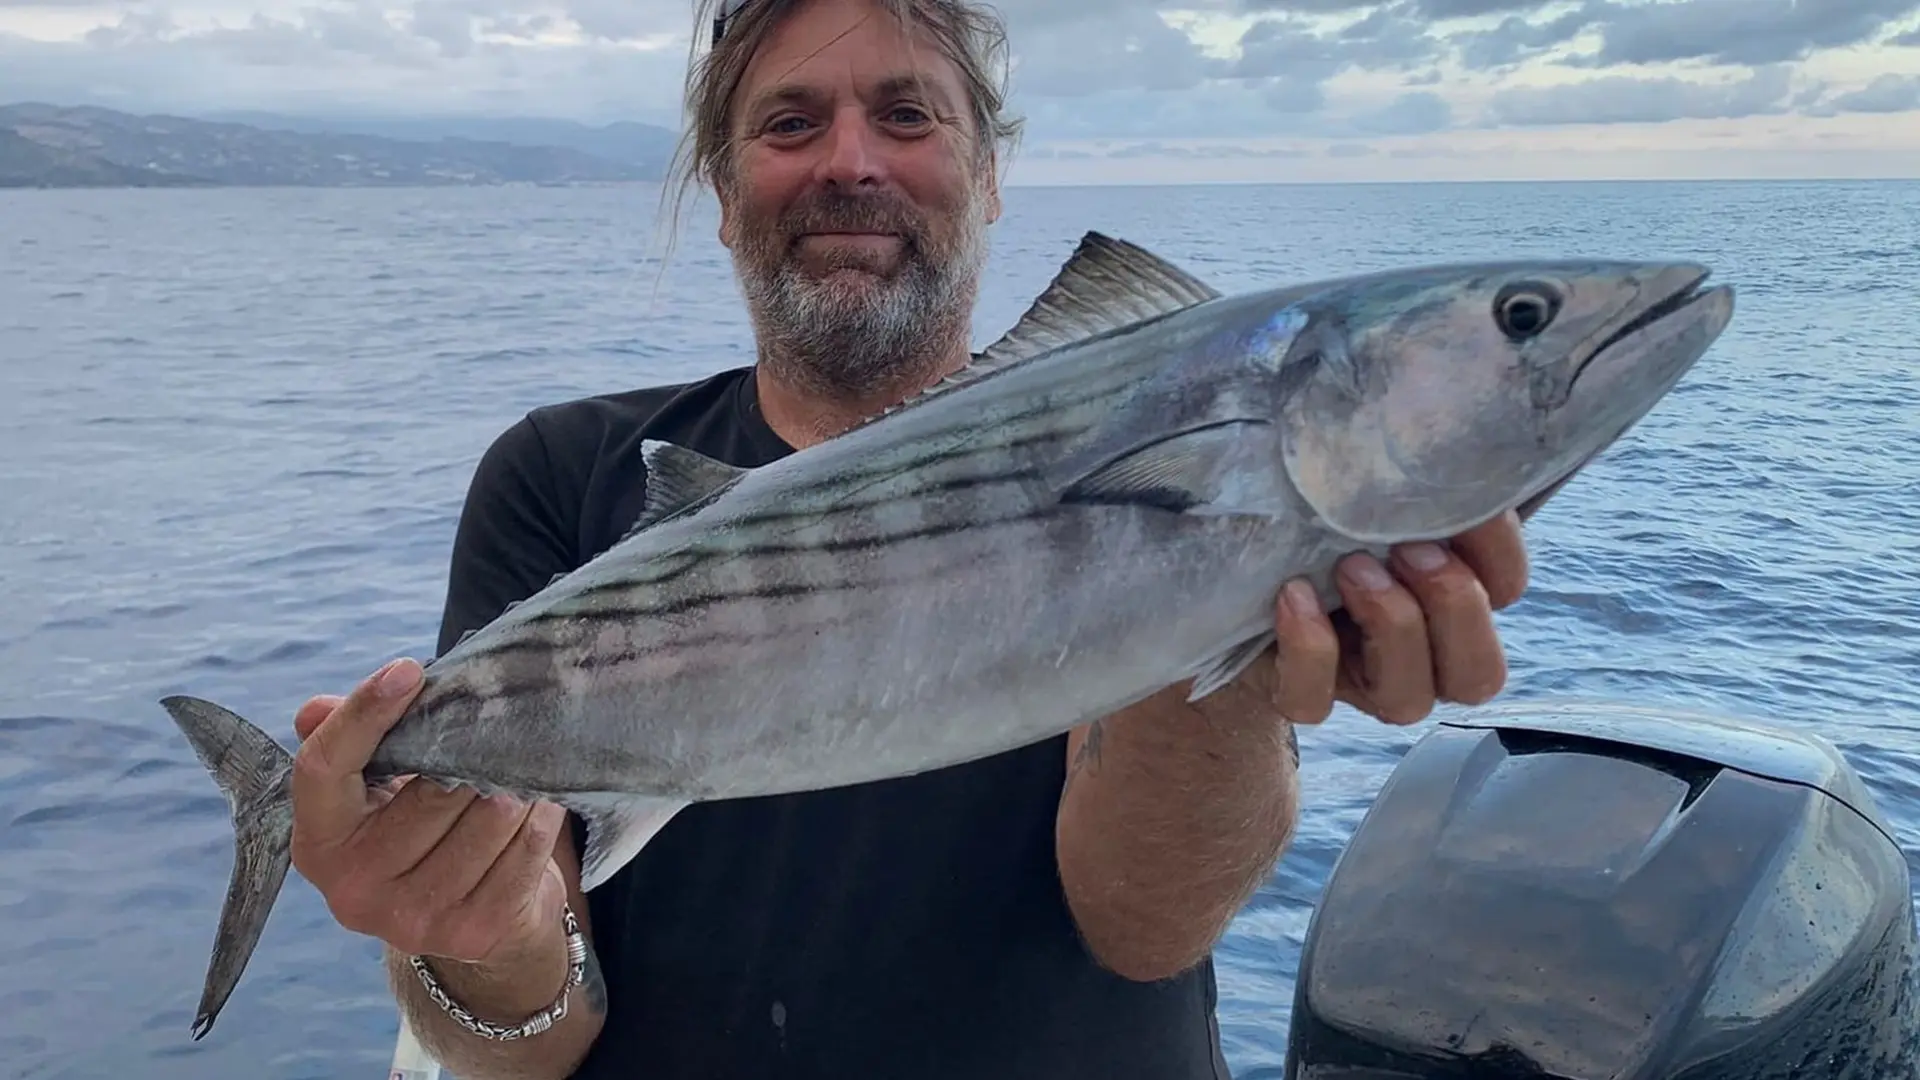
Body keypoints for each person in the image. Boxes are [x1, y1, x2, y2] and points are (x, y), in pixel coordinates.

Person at [284, 0, 1531, 1076]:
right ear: (722, 195)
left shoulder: (1161, 430)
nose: (850, 162)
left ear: (989, 175)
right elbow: (529, 1045)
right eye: (787, 124)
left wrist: (1232, 618)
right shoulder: (563, 475)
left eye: (908, 114)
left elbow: (1145, 931)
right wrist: (488, 935)